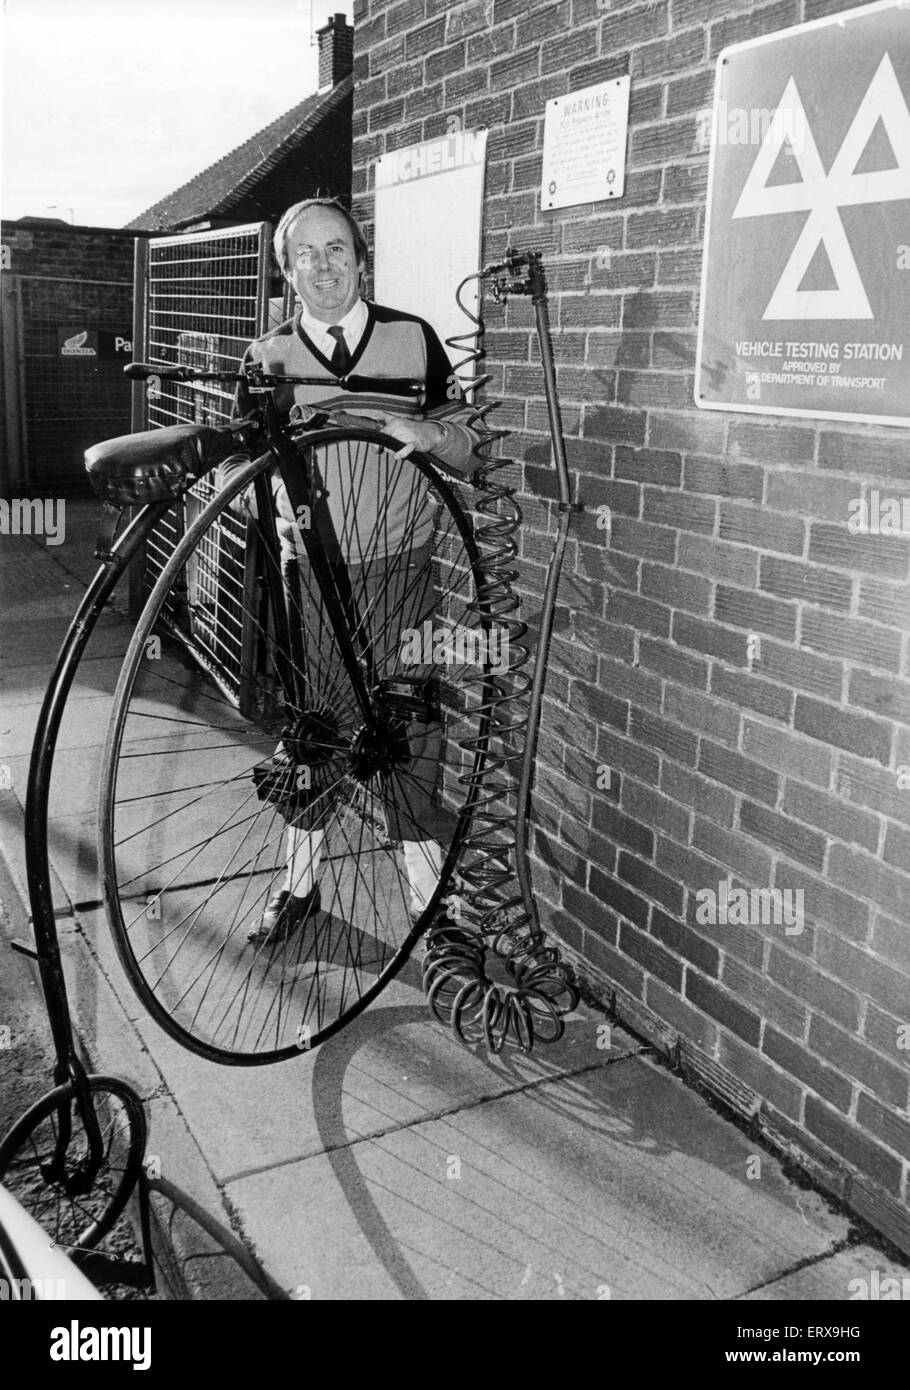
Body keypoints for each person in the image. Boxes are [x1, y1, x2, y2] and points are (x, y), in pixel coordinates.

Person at [221, 197, 481, 946]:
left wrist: (428, 431)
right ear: (287, 271)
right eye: (307, 253)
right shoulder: (266, 360)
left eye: (338, 249)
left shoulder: (413, 340)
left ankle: (427, 901)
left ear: (362, 258)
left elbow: (469, 445)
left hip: (401, 570)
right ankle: (299, 882)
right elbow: (246, 468)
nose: (325, 265)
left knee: (411, 725)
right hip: (313, 574)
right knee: (316, 733)